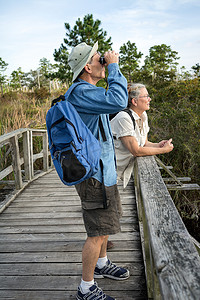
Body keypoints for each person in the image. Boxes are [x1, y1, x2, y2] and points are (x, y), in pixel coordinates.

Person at [67, 41, 130, 300]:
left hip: (105, 173)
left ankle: (102, 264)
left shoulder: (91, 92)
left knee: (103, 226)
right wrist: (113, 66)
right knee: (95, 233)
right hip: (94, 176)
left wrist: (111, 70)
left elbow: (115, 103)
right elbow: (119, 98)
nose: (102, 60)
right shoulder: (81, 92)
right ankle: (86, 287)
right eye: (97, 58)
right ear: (86, 67)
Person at [110, 83, 174, 188]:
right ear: (134, 101)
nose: (150, 99)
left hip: (118, 174)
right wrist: (163, 150)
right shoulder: (123, 118)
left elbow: (144, 143)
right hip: (105, 174)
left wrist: (158, 145)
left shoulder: (143, 115)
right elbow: (136, 150)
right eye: (146, 96)